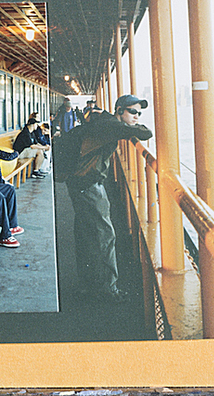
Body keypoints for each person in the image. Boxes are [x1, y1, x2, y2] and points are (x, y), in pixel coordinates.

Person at [63, 94, 153, 303]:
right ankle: (108, 289)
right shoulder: (111, 124)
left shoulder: (106, 122)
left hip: (78, 182)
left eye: (139, 113)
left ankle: (89, 284)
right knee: (105, 235)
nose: (136, 116)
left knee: (86, 233)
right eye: (132, 112)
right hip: (88, 184)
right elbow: (144, 133)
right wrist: (126, 123)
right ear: (120, 110)